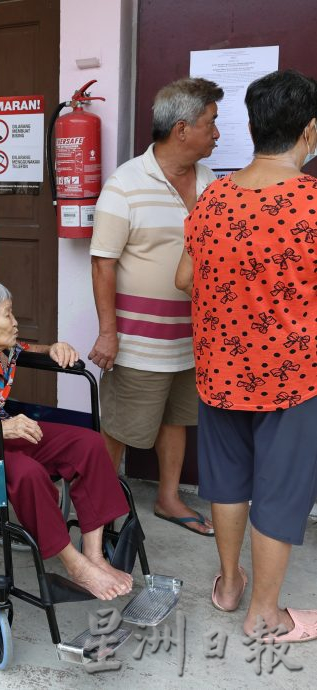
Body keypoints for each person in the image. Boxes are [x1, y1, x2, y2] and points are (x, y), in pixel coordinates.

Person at [176, 69, 317, 642]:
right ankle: (265, 614)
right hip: (292, 375)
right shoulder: (312, 203)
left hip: (220, 367)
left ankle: (230, 585)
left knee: (228, 480)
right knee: (280, 489)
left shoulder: (214, 198)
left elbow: (184, 278)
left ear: (254, 128)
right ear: (309, 130)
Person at [0, 281, 133, 600]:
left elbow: (33, 349)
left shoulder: (3, 352)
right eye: (8, 315)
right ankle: (76, 567)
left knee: (88, 443)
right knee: (27, 472)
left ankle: (95, 555)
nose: (15, 322)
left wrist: (55, 347)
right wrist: (5, 429)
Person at [88, 77, 224, 536]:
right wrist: (109, 333)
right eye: (210, 123)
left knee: (177, 417)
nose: (217, 133)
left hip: (192, 335)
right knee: (121, 425)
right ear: (182, 129)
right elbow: (102, 263)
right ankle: (99, 511)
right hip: (138, 340)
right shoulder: (125, 183)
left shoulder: (210, 182)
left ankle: (168, 498)